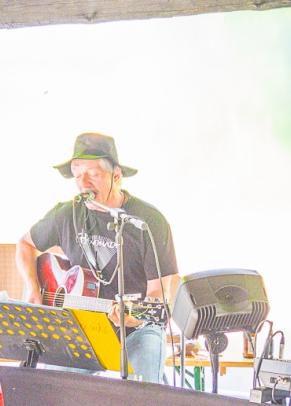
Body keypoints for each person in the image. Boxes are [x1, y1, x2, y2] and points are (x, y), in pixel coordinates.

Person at [16, 133, 179, 383]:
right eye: (77, 174)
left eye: (92, 173)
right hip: (83, 330)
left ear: (116, 175)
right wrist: (34, 288)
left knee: (145, 396)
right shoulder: (67, 213)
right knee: (56, 391)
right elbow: (25, 244)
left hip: (137, 329)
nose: (84, 183)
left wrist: (135, 316)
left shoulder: (148, 222)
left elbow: (158, 295)